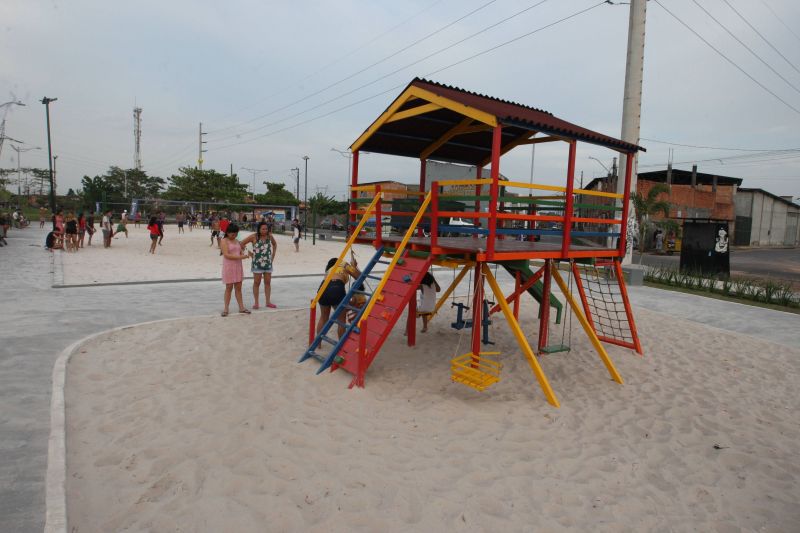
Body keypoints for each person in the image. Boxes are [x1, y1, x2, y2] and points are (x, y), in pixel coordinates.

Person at [316, 257, 361, 339]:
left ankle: (318, 344)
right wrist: (354, 266)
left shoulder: (329, 270)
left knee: (323, 318)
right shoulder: (343, 263)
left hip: (322, 288)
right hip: (336, 287)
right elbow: (359, 277)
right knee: (341, 320)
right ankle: (340, 346)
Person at [240, 221, 278, 309]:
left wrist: (273, 256)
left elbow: (275, 244)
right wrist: (248, 253)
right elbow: (241, 243)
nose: (265, 230)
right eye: (263, 229)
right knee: (257, 283)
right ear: (259, 229)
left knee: (268, 283)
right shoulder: (254, 236)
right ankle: (256, 303)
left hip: (268, 264)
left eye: (266, 229)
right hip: (257, 264)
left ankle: (268, 302)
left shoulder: (270, 236)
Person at [220, 223, 252, 316]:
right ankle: (226, 309)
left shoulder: (237, 241)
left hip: (238, 266)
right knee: (229, 288)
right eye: (232, 234)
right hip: (229, 266)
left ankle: (241, 307)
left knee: (238, 288)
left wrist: (246, 254)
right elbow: (226, 254)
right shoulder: (224, 241)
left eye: (236, 234)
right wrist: (242, 257)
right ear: (227, 232)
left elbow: (242, 251)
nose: (234, 235)